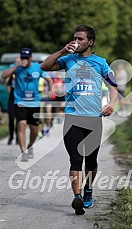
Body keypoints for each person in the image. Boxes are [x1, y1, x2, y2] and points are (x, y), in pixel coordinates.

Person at [40, 24, 117, 215]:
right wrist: (61, 51)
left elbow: (114, 86)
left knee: (91, 161)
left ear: (90, 42)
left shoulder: (100, 62)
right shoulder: (68, 60)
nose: (76, 41)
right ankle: (77, 197)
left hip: (93, 119)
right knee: (75, 159)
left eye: (80, 38)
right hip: (72, 117)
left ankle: (88, 191)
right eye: (74, 38)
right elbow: (45, 66)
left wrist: (112, 103)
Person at [2, 48, 53, 161]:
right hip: (19, 102)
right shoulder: (17, 68)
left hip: (34, 102)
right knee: (21, 124)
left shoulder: (37, 67)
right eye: (23, 58)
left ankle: (30, 146)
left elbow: (49, 79)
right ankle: (23, 152)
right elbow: (4, 76)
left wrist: (50, 90)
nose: (25, 60)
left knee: (34, 129)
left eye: (26, 58)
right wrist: (16, 66)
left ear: (31, 58)